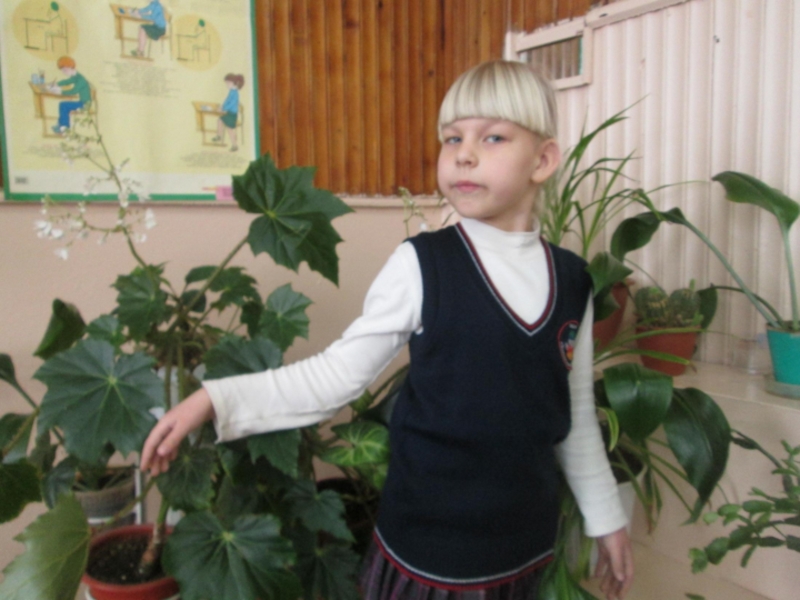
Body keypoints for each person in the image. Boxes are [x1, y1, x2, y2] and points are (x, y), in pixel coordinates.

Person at [141, 60, 634, 600]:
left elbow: (574, 415)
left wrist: (607, 518)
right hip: (428, 555)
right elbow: (335, 377)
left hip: (523, 550)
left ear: (542, 160)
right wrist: (213, 399)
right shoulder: (423, 265)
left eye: (493, 137)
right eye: (452, 138)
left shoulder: (573, 281)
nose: (464, 153)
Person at [50, 56, 91, 134]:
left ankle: (65, 128)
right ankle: (61, 125)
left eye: (65, 70)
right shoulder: (76, 76)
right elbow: (67, 81)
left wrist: (60, 91)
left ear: (71, 67)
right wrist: (57, 84)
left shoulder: (81, 79)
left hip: (85, 104)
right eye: (62, 70)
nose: (64, 72)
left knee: (63, 105)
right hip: (83, 102)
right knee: (64, 105)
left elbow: (73, 91)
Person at [211, 73, 244, 151]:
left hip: (232, 115)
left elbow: (232, 103)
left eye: (228, 83)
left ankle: (234, 145)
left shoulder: (235, 93)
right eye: (226, 83)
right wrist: (222, 106)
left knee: (229, 129)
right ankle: (219, 136)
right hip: (228, 113)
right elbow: (227, 101)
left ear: (234, 83)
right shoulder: (232, 91)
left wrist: (223, 109)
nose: (227, 85)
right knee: (220, 120)